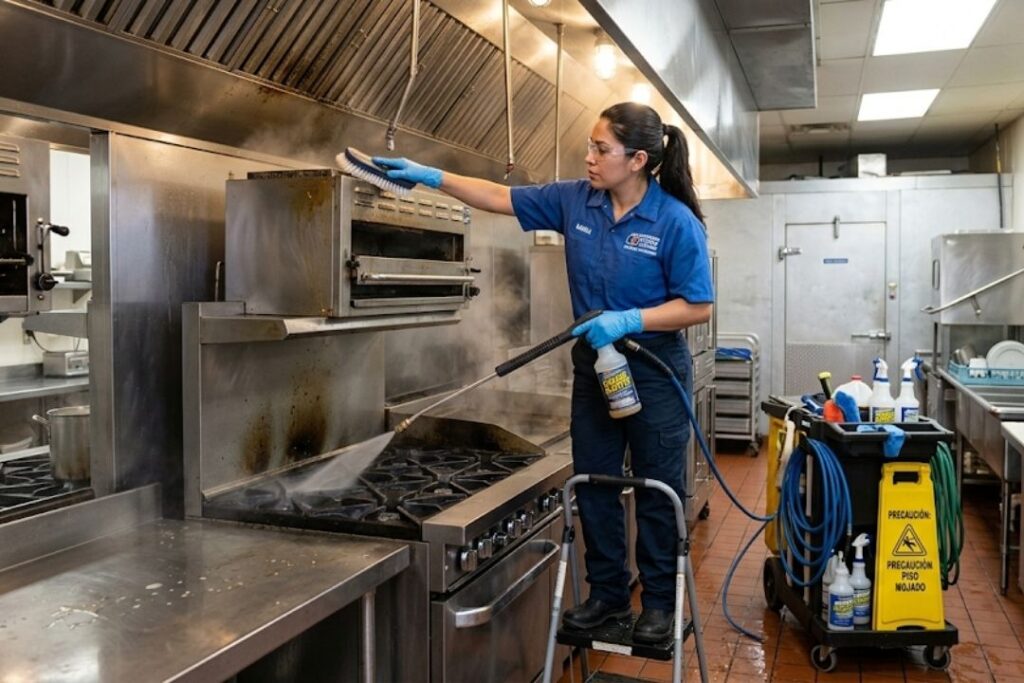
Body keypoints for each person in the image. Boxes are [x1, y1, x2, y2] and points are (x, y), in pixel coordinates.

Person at [373, 102, 713, 643]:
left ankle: (660, 605)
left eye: (602, 149)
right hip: (594, 369)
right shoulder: (575, 199)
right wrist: (432, 178)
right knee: (596, 483)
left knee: (656, 489)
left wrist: (631, 318)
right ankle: (606, 596)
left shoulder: (675, 221)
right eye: (590, 145)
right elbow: (499, 196)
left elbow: (698, 305)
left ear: (639, 159)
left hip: (651, 368)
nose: (589, 157)